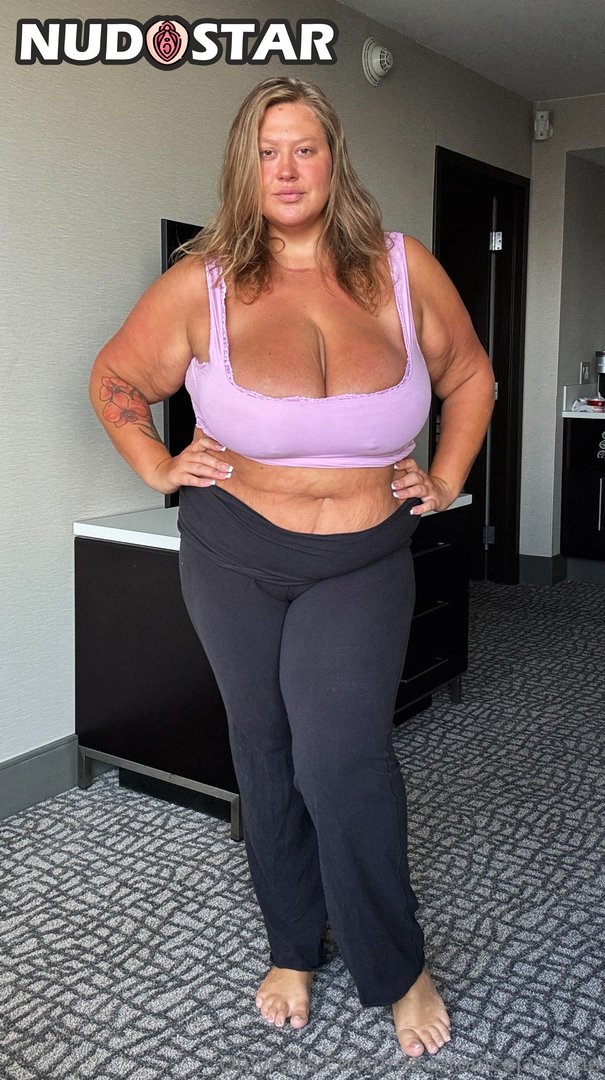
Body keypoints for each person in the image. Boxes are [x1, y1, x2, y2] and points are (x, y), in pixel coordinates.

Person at [90, 76, 494, 1058]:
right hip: (233, 552)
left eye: (303, 148)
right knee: (264, 748)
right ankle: (290, 945)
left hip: (361, 556)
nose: (285, 169)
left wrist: (445, 478)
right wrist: (156, 465)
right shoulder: (203, 283)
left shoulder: (399, 268)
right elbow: (115, 379)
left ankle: (395, 964)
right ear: (244, 165)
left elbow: (470, 375)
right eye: (266, 151)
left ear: (332, 158)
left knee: (341, 759)